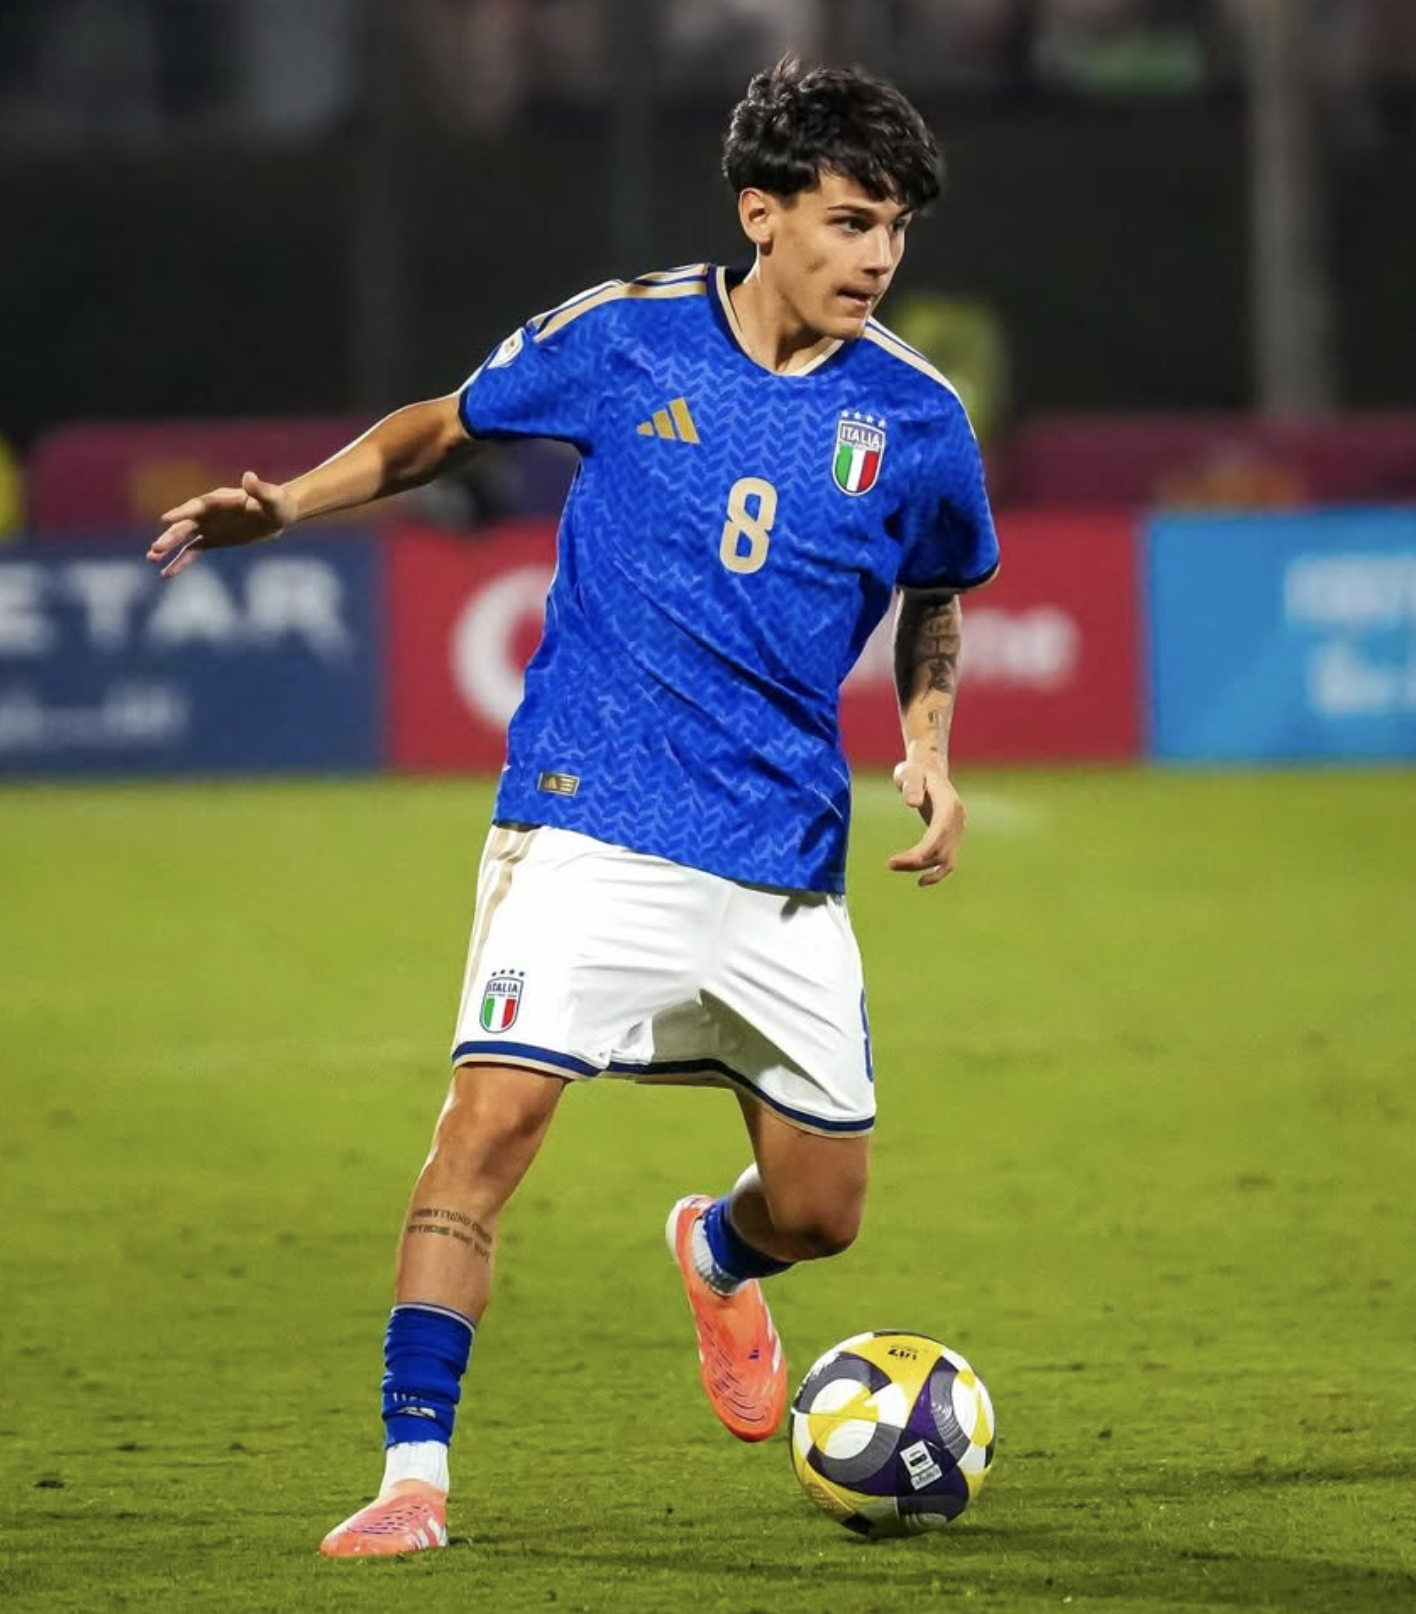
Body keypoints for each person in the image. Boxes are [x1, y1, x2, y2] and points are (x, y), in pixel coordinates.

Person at [147, 57, 1000, 1557]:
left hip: (781, 851)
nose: (878, 257)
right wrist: (285, 505)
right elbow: (441, 426)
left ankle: (714, 1250)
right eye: (851, 220)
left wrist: (927, 739)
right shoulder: (627, 336)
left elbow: (937, 588)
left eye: (897, 230)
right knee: (489, 1126)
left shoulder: (917, 416)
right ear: (761, 212)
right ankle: (415, 1474)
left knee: (821, 1212)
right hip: (587, 812)